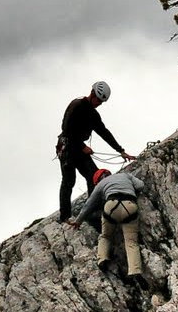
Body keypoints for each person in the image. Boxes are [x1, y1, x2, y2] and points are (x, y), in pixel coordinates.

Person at [57, 80, 131, 222]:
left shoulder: (93, 114)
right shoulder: (76, 106)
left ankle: (92, 210)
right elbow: (66, 128)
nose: (99, 104)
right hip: (67, 147)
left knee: (94, 176)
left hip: (78, 148)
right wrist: (81, 146)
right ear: (92, 94)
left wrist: (120, 150)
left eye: (101, 102)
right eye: (98, 100)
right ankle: (65, 216)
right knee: (68, 181)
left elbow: (104, 132)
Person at [76, 167, 147, 285]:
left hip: (111, 206)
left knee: (105, 236)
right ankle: (135, 271)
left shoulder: (101, 184)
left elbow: (89, 204)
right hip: (130, 206)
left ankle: (102, 259)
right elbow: (140, 185)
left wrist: (78, 221)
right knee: (131, 242)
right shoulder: (126, 175)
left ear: (98, 180)